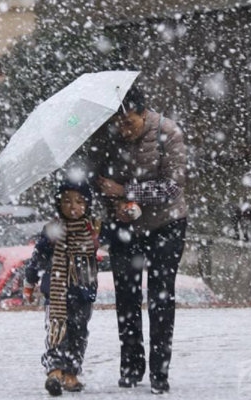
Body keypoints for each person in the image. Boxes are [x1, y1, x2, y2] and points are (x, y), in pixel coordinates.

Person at [91, 85, 188, 394]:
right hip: (125, 226)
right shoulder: (110, 136)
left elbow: (172, 188)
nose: (124, 129)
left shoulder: (169, 132)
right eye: (118, 123)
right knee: (126, 298)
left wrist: (128, 193)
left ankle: (160, 372)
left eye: (129, 122)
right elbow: (103, 182)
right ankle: (131, 366)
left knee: (161, 297)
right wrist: (115, 204)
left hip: (166, 224)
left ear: (143, 114)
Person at [23, 179, 100, 396]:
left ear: (87, 205)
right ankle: (54, 371)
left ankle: (71, 373)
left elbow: (110, 245)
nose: (73, 206)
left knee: (79, 333)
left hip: (83, 292)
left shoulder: (93, 228)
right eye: (66, 201)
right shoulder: (52, 230)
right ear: (58, 204)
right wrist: (30, 282)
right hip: (56, 292)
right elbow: (37, 259)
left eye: (78, 201)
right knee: (57, 331)